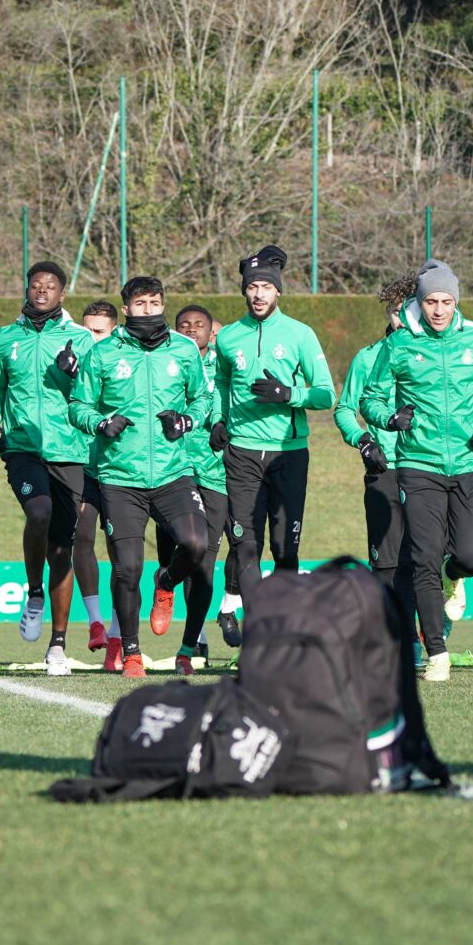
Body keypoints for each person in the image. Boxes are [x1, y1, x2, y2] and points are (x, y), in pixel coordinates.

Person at [361, 259, 473, 682]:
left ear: (456, 300)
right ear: (419, 302)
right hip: (418, 464)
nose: (439, 310)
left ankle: (454, 577)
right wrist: (390, 419)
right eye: (431, 301)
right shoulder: (399, 345)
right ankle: (437, 653)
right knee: (423, 555)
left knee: (470, 556)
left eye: (446, 301)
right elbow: (371, 397)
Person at [67, 275, 211, 676]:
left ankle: (165, 583)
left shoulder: (183, 350)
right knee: (127, 568)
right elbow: (78, 405)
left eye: (154, 303)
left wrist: (187, 421)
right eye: (140, 304)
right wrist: (100, 423)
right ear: (126, 308)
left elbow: (203, 398)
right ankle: (130, 652)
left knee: (196, 545)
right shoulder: (103, 353)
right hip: (119, 476)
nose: (148, 311)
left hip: (173, 473)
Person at [212, 244, 335, 643]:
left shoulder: (300, 334)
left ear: (278, 291)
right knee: (246, 545)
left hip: (288, 454)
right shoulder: (228, 337)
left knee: (284, 551)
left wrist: (289, 394)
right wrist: (218, 419)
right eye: (252, 287)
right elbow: (223, 384)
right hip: (242, 454)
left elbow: (325, 394)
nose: (259, 294)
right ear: (244, 291)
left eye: (266, 286)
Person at [0, 261, 98, 675]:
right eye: (36, 285)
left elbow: (93, 393)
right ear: (28, 289)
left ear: (62, 294)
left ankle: (57, 645)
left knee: (62, 548)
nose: (42, 291)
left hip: (69, 449)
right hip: (23, 447)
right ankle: (34, 593)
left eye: (50, 286)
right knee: (39, 512)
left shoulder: (81, 339)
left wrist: (76, 373)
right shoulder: (6, 337)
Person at [333, 279, 411, 596]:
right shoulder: (367, 358)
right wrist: (364, 441)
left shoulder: (439, 357)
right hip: (385, 470)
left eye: (410, 311)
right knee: (387, 566)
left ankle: (433, 632)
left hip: (430, 469)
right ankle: (396, 641)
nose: (402, 320)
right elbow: (344, 410)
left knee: (433, 557)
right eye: (395, 312)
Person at [168, 304, 229, 674]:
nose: (192, 330)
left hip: (218, 475)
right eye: (184, 325)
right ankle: (165, 582)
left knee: (205, 563)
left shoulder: (224, 368)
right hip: (174, 471)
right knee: (180, 555)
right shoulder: (168, 363)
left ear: (211, 332)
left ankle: (189, 647)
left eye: (199, 325)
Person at [74, 297, 121, 664]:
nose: (91, 338)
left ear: (114, 331)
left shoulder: (125, 361)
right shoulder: (74, 360)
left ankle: (121, 637)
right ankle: (95, 623)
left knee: (122, 551)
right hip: (84, 463)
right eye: (86, 330)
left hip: (120, 467)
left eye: (99, 332)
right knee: (81, 535)